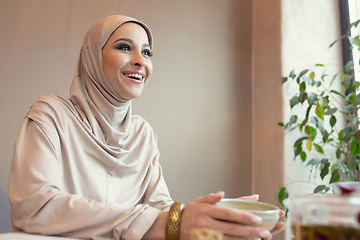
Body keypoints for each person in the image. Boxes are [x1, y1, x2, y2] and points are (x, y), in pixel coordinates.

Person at [8, 15, 285, 240]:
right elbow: (35, 207)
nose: (141, 60)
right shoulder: (50, 114)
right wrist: (170, 222)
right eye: (124, 47)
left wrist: (211, 218)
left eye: (147, 52)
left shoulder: (142, 134)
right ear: (93, 57)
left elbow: (160, 210)